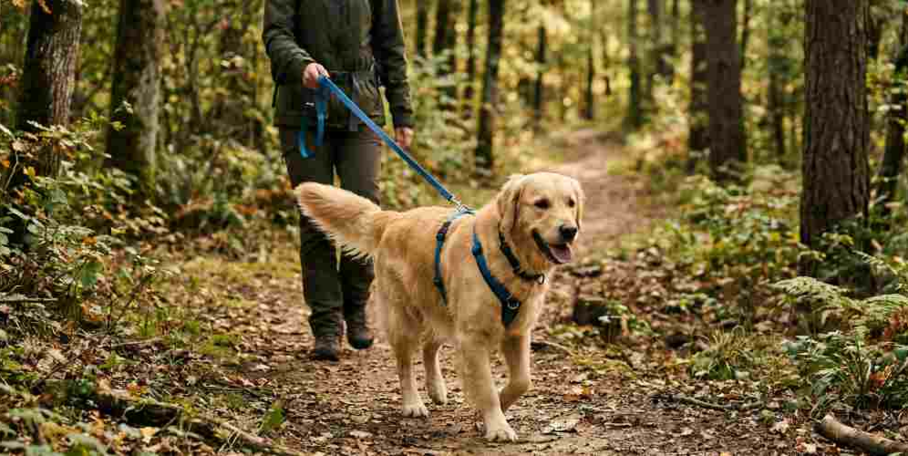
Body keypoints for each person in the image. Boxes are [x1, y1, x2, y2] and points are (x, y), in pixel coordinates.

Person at [262, 0, 415, 361]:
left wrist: (402, 111)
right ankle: (326, 324)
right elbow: (275, 33)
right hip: (303, 109)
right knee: (315, 220)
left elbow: (391, 44)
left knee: (366, 213)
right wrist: (301, 64)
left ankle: (355, 305)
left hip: (360, 111)